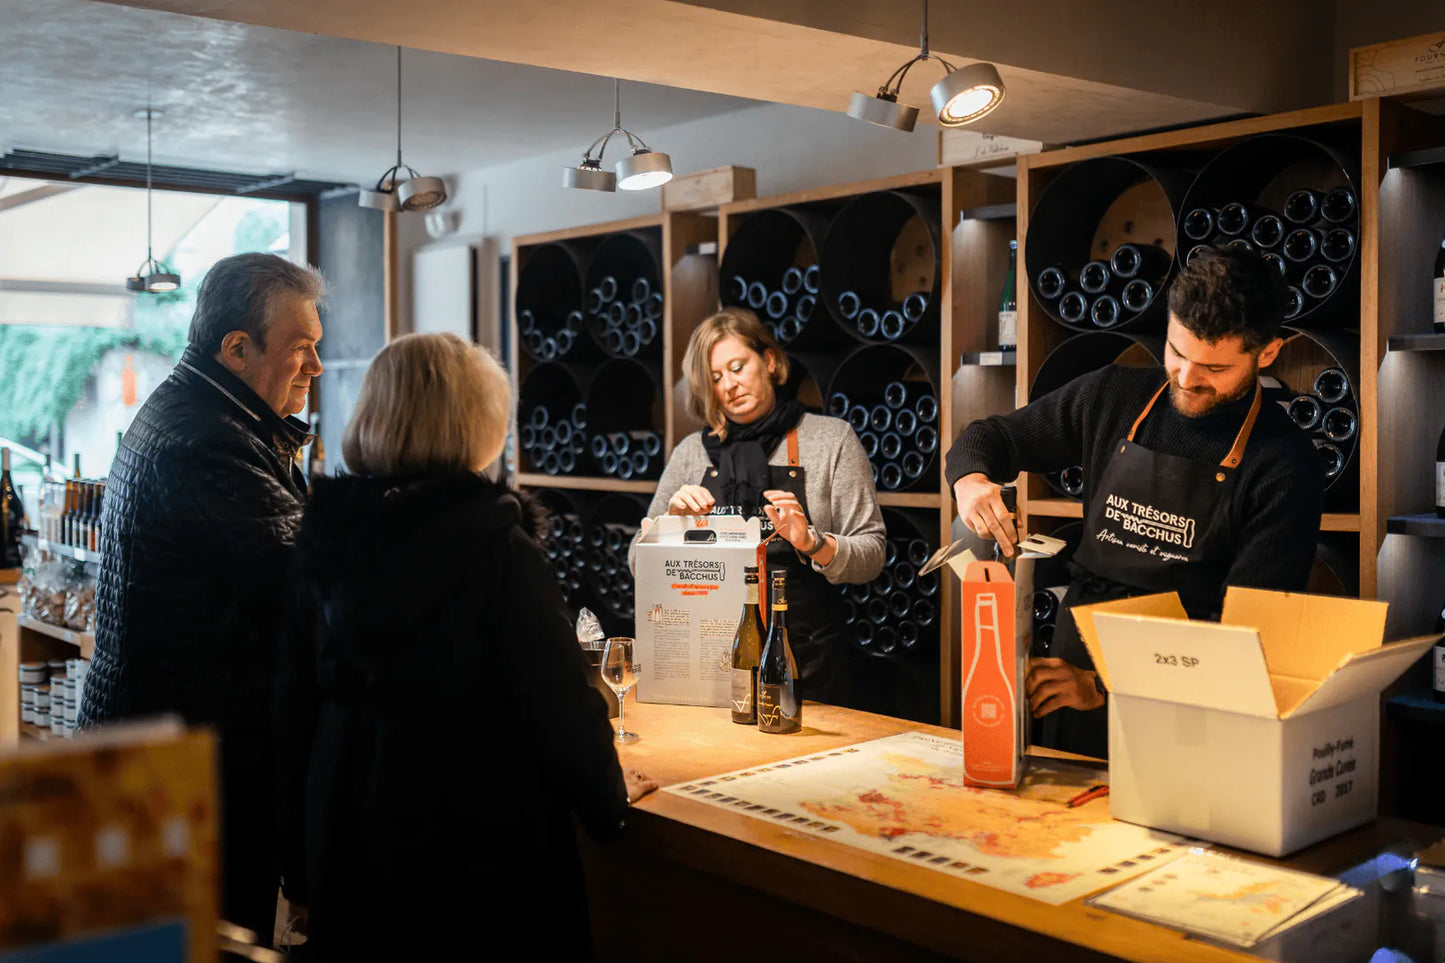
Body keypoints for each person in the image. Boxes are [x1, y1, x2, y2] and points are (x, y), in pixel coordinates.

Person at [274, 333, 655, 960]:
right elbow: (560, 706)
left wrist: (299, 860)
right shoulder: (498, 547)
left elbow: (292, 709)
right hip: (479, 844)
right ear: (473, 423)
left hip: (351, 826)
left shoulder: (326, 540)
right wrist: (608, 803)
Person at [947, 247, 1324, 758]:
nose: (1187, 378)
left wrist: (1104, 685)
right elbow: (992, 437)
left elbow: (1246, 637)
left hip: (1185, 708)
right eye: (1176, 352)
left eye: (1213, 366)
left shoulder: (1284, 465)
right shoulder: (1113, 396)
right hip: (1068, 678)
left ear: (1268, 353)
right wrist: (970, 479)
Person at [78, 252, 325, 940]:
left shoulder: (208, 413)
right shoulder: (207, 441)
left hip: (164, 750)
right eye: (300, 348)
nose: (315, 367)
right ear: (237, 349)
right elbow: (301, 585)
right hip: (183, 771)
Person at [630, 308, 885, 706]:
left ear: (768, 361)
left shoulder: (831, 441)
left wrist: (814, 543)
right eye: (715, 378)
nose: (729, 386)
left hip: (807, 660)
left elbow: (872, 555)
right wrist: (667, 531)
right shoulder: (692, 454)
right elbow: (635, 562)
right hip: (710, 666)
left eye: (737, 367)